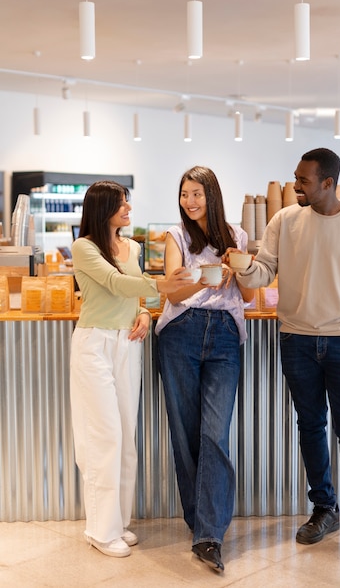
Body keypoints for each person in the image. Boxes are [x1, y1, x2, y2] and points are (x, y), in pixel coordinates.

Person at [232, 148, 340, 567]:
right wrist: (242, 267)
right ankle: (324, 510)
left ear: (328, 183)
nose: (295, 185)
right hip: (296, 339)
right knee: (311, 427)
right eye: (295, 177)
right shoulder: (284, 221)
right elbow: (265, 270)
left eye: (303, 180)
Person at [70, 180, 192, 558]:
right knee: (103, 436)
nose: (128, 210)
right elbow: (113, 282)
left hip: (127, 343)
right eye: (122, 204)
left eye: (128, 203)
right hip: (94, 345)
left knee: (125, 435)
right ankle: (100, 530)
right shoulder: (84, 247)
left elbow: (134, 294)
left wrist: (142, 311)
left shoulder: (133, 247)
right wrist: (161, 285)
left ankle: (118, 522)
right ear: (103, 207)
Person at [155, 166, 255, 572]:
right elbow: (171, 291)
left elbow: (248, 295)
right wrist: (203, 281)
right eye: (184, 194)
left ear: (211, 196)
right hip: (180, 330)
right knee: (186, 432)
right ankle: (203, 529)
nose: (190, 202)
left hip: (226, 336)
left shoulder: (238, 237)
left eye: (197, 194)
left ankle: (209, 534)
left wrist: (239, 268)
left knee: (214, 433)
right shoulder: (175, 237)